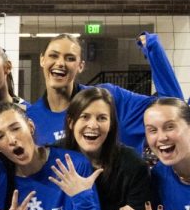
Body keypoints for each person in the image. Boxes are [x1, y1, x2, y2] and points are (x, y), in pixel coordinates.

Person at [27, 32, 182, 147]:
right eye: (54, 56)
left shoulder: (109, 99)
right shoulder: (31, 118)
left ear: (80, 66)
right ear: (42, 60)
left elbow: (174, 107)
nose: (60, 63)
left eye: (70, 58)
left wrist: (154, 51)